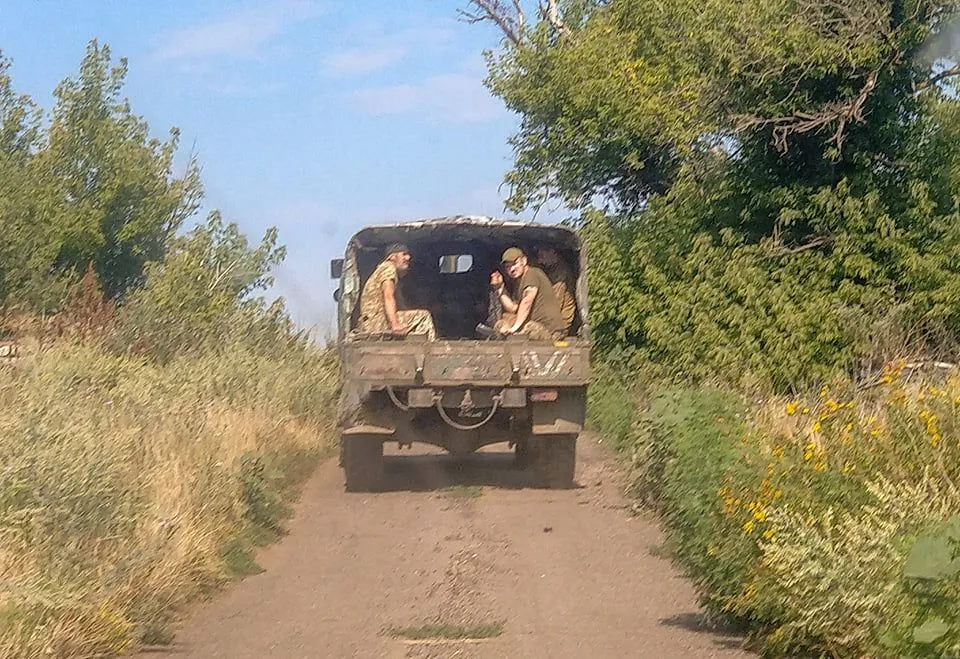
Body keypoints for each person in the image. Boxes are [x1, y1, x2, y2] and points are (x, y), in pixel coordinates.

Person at [356, 243, 437, 340]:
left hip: (371, 321)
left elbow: (400, 305)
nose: (408, 257)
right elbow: (388, 297)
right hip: (376, 322)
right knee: (423, 316)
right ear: (392, 257)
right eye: (404, 254)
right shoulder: (388, 268)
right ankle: (428, 350)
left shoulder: (385, 271)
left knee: (414, 317)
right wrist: (394, 324)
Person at [491, 247, 565, 341]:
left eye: (514, 264)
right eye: (508, 267)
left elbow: (527, 302)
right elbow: (513, 308)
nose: (512, 269)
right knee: (502, 322)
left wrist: (514, 328)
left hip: (550, 330)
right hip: (536, 325)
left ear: (524, 261)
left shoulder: (532, 274)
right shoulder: (519, 281)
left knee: (529, 328)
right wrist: (500, 288)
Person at [535, 246, 576, 335]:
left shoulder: (561, 271)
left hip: (560, 322)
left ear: (552, 251)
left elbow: (557, 300)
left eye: (542, 255)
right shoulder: (551, 268)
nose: (540, 261)